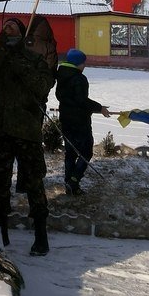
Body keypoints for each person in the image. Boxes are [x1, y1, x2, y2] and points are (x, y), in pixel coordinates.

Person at [0, 19, 55, 255]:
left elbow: (43, 86)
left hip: (26, 131)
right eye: (5, 26)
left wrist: (20, 60)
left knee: (33, 182)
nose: (7, 29)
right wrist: (3, 51)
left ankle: (40, 233)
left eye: (13, 27)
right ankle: (0, 230)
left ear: (23, 34)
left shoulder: (33, 60)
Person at [55, 48, 110, 196]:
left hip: (65, 119)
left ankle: (69, 184)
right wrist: (100, 108)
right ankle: (74, 180)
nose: (84, 66)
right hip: (80, 121)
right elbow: (81, 101)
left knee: (70, 153)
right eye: (83, 63)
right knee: (86, 152)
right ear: (77, 63)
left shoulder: (61, 75)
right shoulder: (79, 78)